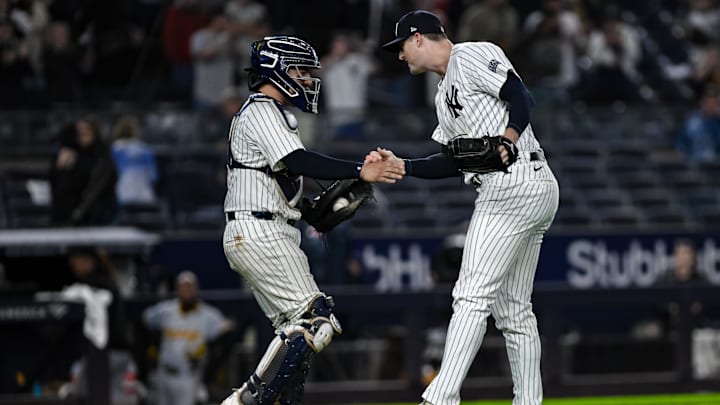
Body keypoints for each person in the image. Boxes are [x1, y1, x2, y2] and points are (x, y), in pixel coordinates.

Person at [373, 10, 559, 405]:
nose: (401, 56)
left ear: (420, 38)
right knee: (513, 311)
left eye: (403, 46)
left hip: (514, 183)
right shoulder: (442, 97)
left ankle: (441, 397)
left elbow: (519, 95)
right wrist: (403, 166)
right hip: (526, 186)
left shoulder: (470, 54)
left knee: (471, 296)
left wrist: (508, 138)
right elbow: (453, 161)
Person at [219, 35, 405, 405]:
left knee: (296, 337)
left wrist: (307, 209)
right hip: (260, 229)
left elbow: (274, 180)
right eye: (300, 70)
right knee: (313, 322)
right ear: (277, 70)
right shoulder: (262, 110)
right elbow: (298, 162)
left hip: (268, 226)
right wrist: (359, 170)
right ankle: (245, 401)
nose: (307, 79)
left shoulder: (269, 114)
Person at [143, 271, 234, 405]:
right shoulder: (167, 310)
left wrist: (206, 350)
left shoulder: (207, 315)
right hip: (164, 372)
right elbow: (146, 318)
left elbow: (228, 326)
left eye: (190, 287)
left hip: (188, 375)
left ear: (196, 289)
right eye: (183, 287)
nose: (187, 290)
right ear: (177, 289)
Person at [49, 117, 118, 226]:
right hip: (67, 215)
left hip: (97, 214)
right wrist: (60, 167)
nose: (83, 133)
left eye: (87, 129)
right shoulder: (67, 151)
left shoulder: (102, 155)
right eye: (79, 131)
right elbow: (57, 184)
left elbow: (106, 182)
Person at [110, 115, 159, 205]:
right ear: (135, 131)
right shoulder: (144, 148)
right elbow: (154, 176)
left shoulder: (114, 148)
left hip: (123, 193)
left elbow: (110, 175)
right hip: (144, 194)